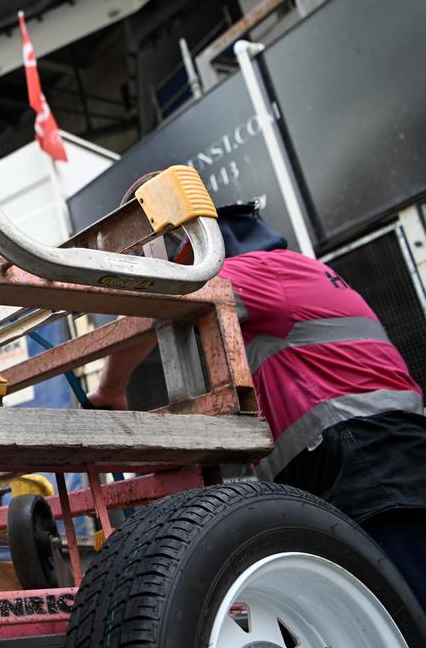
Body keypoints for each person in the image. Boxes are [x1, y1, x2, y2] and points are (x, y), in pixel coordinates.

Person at [88, 186, 426, 608]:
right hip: (379, 450)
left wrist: (110, 390)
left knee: (402, 613)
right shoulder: (295, 272)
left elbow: (156, 299)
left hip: (364, 455)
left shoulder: (258, 271)